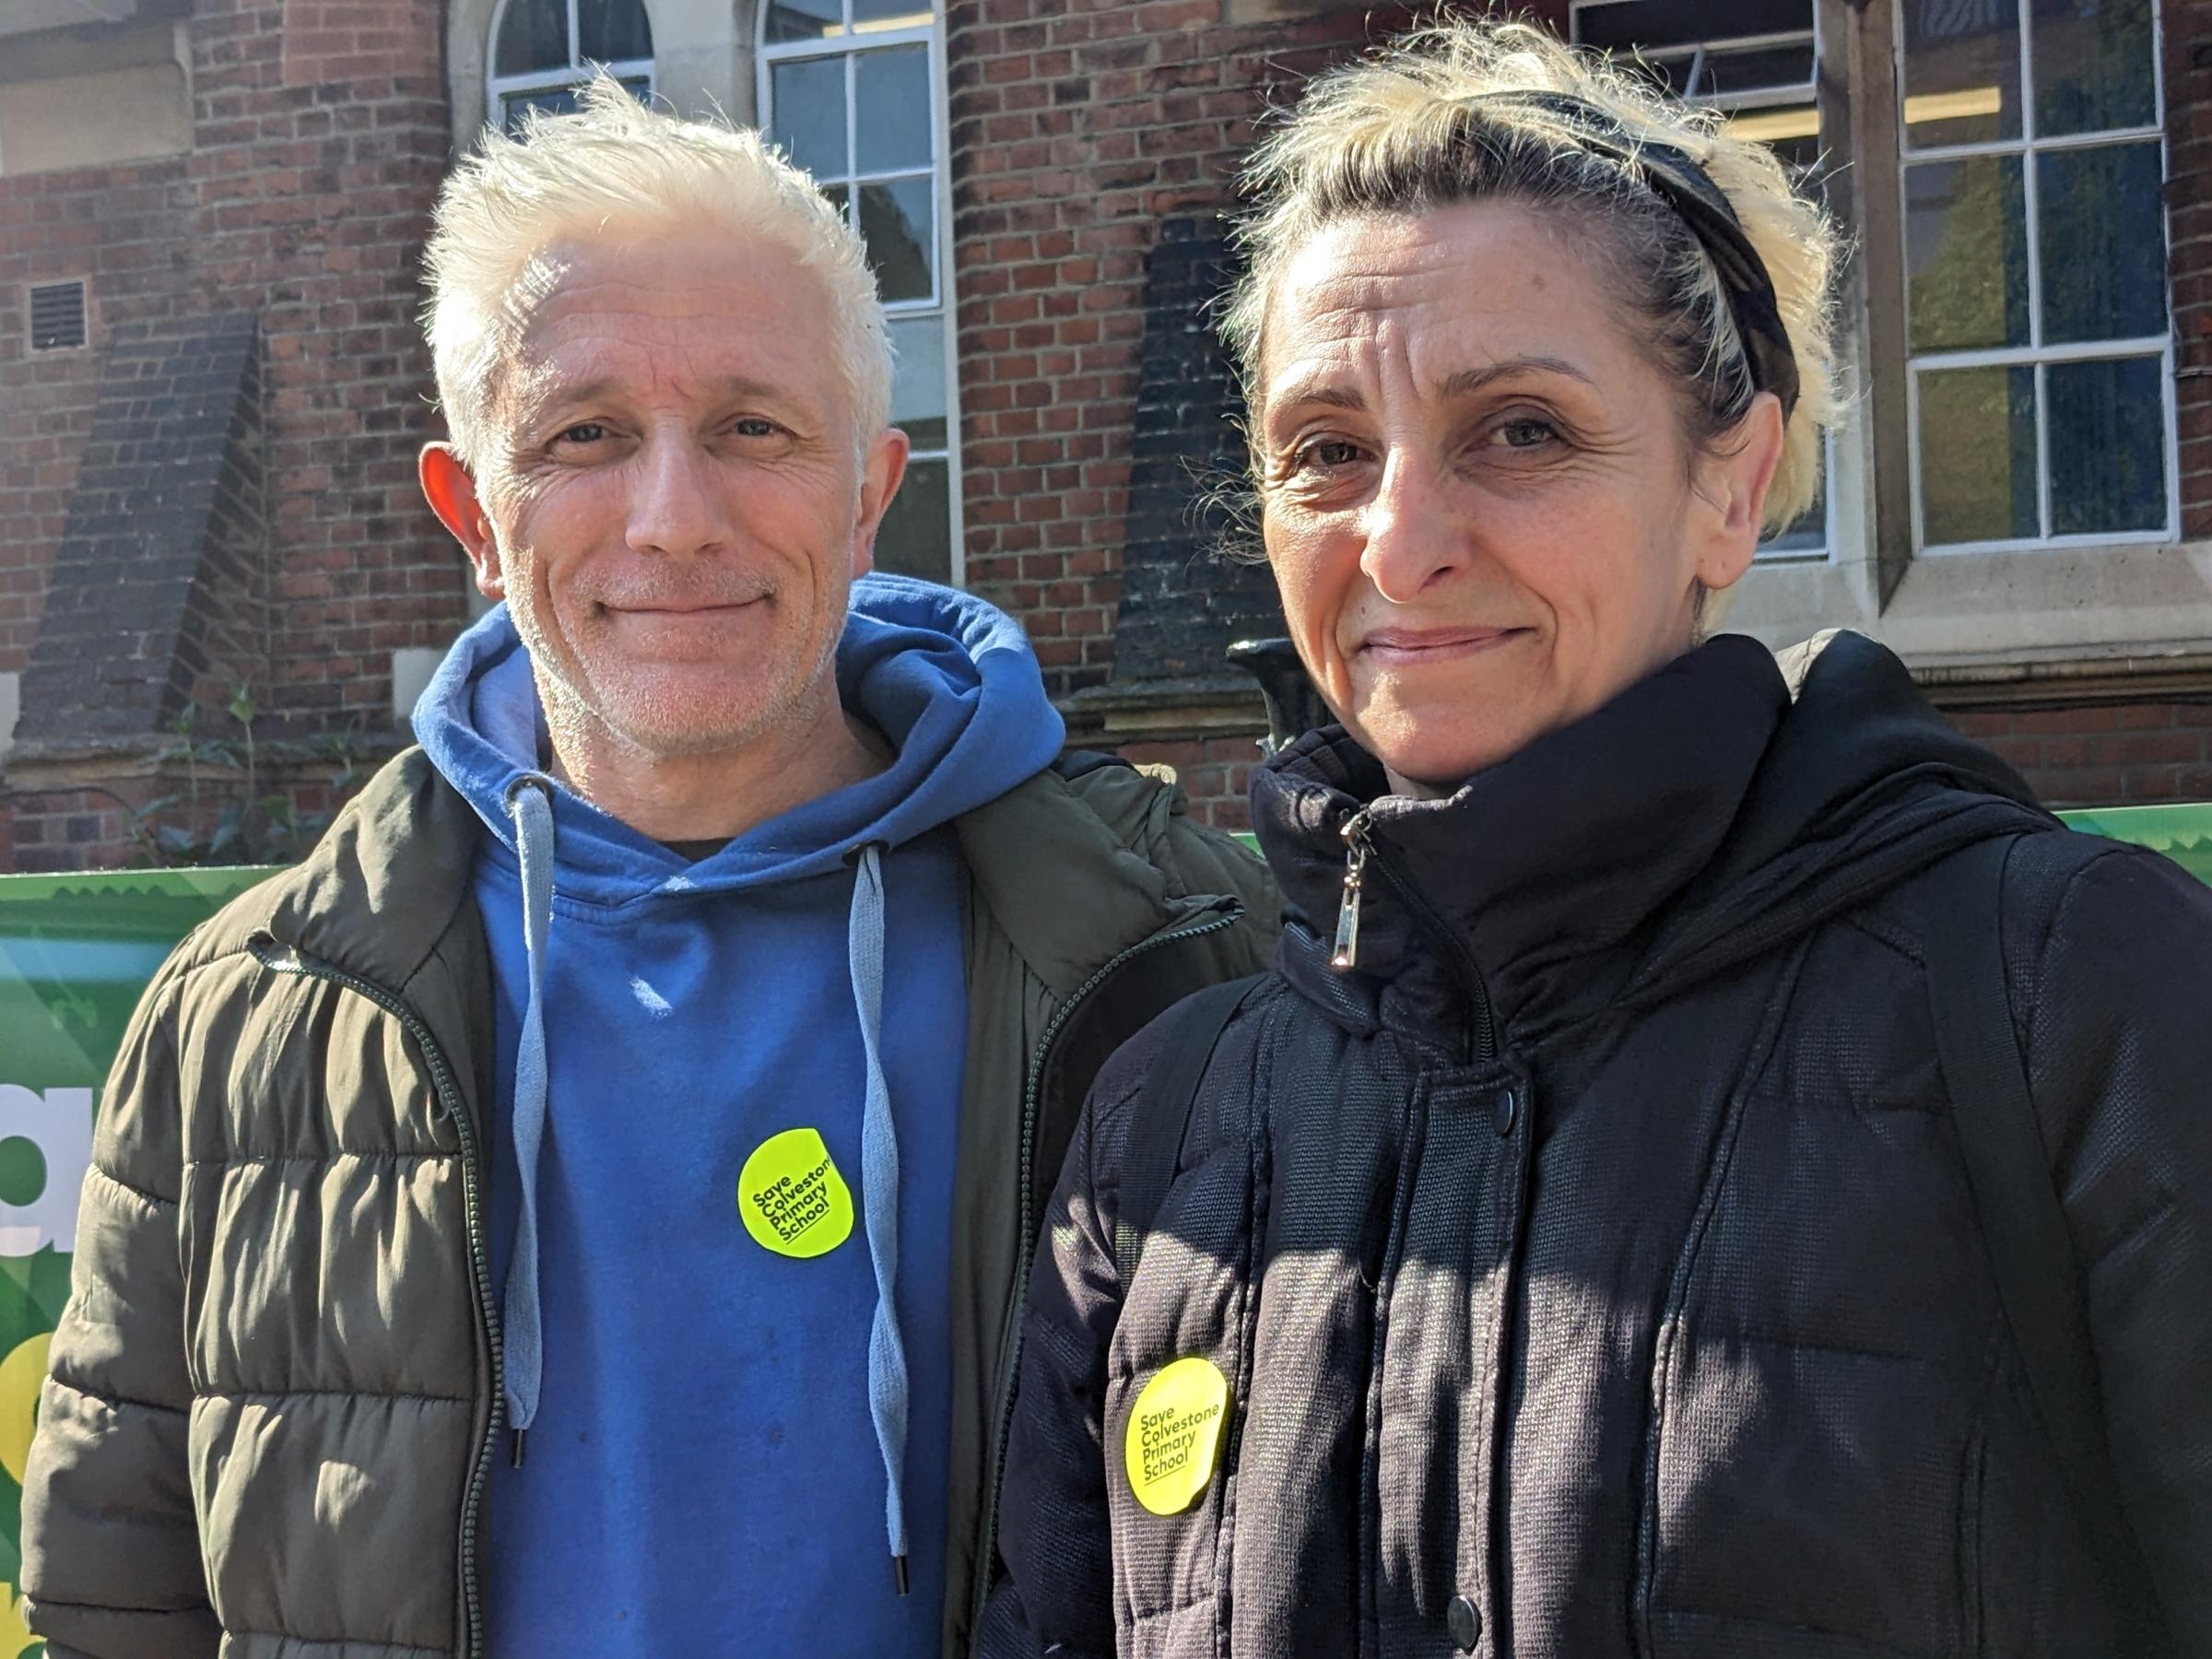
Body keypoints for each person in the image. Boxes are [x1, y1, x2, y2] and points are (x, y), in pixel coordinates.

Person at [982, 19, 2211, 1657]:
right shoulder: (1169, 1114)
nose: (1402, 545)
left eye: (1523, 432)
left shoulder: (2072, 1005)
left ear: (1733, 483)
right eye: (1328, 453)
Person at [18, 82, 1277, 1659]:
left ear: (868, 491)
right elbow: (116, 1603)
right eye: (584, 434)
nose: (673, 521)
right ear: (474, 510)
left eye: (754, 427)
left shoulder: (1177, 961)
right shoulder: (244, 1025)